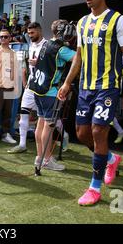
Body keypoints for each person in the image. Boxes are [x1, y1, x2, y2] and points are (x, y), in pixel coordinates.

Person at [57, 0, 123, 206]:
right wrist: (66, 83)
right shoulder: (82, 23)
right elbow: (79, 57)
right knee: (82, 134)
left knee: (98, 131)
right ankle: (110, 159)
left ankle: (94, 187)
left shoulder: (118, 20)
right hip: (86, 88)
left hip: (108, 87)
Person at [29, 20, 76, 174]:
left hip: (38, 89)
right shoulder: (61, 49)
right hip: (50, 92)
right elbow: (78, 59)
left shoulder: (46, 43)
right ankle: (47, 159)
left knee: (41, 123)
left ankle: (39, 157)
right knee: (48, 126)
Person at [7, 22, 45, 154]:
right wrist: (25, 83)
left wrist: (39, 62)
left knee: (49, 117)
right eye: (29, 33)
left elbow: (53, 64)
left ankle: (64, 137)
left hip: (44, 85)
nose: (30, 35)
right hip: (31, 85)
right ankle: (22, 144)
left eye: (32, 33)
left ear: (39, 31)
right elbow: (25, 67)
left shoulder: (47, 45)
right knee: (24, 113)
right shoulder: (29, 46)